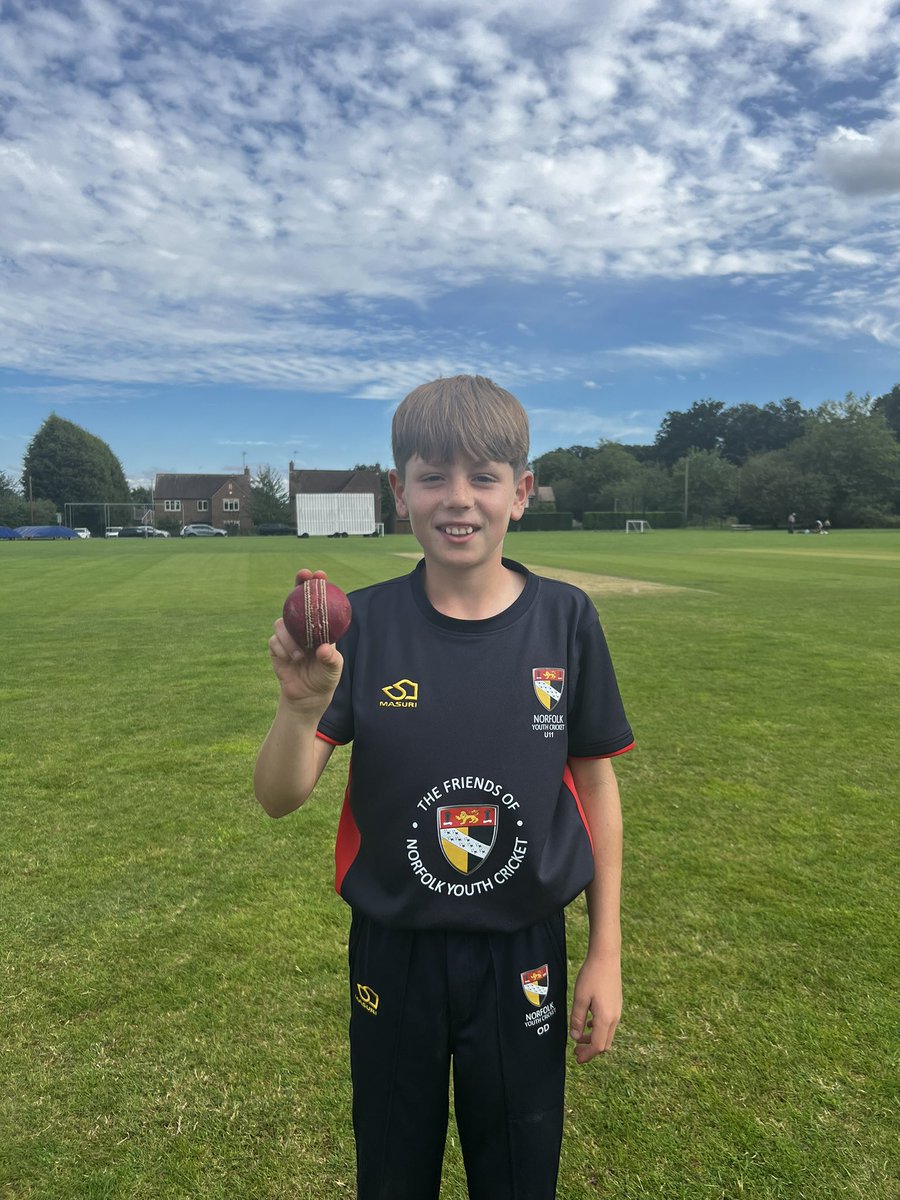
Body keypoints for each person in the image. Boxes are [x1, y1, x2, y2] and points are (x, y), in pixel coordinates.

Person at [254, 375, 634, 1200]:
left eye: (483, 477)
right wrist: (299, 708)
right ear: (400, 493)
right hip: (395, 949)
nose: (458, 498)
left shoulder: (566, 619)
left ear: (520, 493)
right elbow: (279, 796)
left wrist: (604, 952)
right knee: (393, 1171)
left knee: (519, 1171)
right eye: (432, 476)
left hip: (523, 950)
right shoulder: (364, 625)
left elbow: (597, 789)